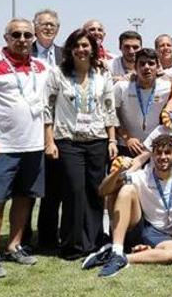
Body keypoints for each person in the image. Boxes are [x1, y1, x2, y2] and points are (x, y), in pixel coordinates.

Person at [0, 18, 50, 278]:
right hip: (2, 146)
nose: (23, 39)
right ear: (6, 37)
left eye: (28, 35)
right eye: (16, 34)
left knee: (25, 197)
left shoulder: (42, 67)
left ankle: (14, 245)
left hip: (33, 145)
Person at [43, 28, 119, 259]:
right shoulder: (58, 74)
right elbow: (48, 108)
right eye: (76, 45)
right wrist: (49, 141)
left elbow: (108, 108)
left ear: (93, 49)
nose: (81, 50)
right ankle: (72, 244)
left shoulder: (102, 74)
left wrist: (112, 139)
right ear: (70, 49)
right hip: (68, 141)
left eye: (86, 45)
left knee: (96, 193)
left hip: (97, 140)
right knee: (74, 192)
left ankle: (94, 241)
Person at [86, 134, 172, 277]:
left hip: (164, 235)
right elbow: (102, 191)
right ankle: (117, 249)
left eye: (167, 153)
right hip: (143, 227)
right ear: (152, 155)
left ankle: (121, 258)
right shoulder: (141, 175)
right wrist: (118, 172)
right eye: (158, 153)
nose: (163, 157)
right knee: (127, 189)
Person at [31, 8, 63, 250]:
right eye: (43, 24)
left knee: (54, 187)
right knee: (29, 188)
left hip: (59, 127)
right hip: (29, 126)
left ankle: (49, 237)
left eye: (52, 25)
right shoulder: (22, 50)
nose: (48, 28)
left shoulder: (66, 55)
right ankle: (20, 238)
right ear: (35, 27)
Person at [114, 48, 172, 157]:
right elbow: (111, 115)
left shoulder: (167, 87)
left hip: (154, 147)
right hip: (126, 145)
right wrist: (127, 138)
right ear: (135, 67)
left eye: (151, 64)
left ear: (157, 67)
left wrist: (171, 103)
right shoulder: (121, 87)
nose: (146, 67)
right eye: (142, 64)